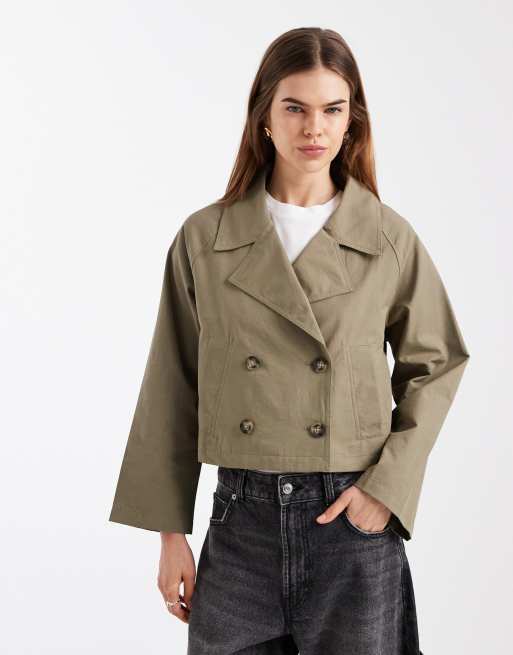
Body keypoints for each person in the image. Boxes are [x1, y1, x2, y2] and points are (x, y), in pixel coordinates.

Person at [109, 27, 470, 654]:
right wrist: (170, 535)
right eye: (295, 108)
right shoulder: (206, 237)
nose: (314, 128)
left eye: (332, 109)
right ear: (265, 117)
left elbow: (436, 363)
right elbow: (172, 382)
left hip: (350, 525)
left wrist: (385, 491)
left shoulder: (386, 238)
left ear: (352, 121)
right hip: (240, 524)